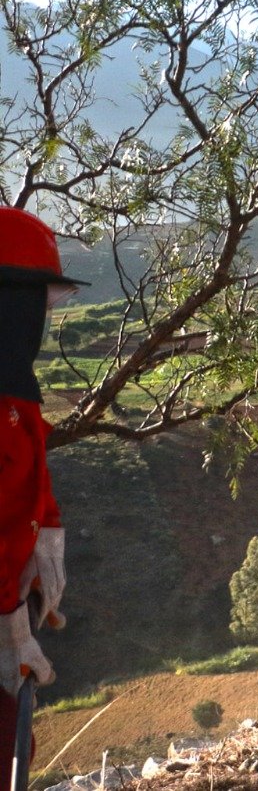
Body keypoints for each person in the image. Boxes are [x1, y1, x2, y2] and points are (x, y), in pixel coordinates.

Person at [1, 208, 86, 778]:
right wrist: (8, 622)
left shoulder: (12, 392)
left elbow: (27, 467)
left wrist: (46, 529)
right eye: (38, 303)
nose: (42, 318)